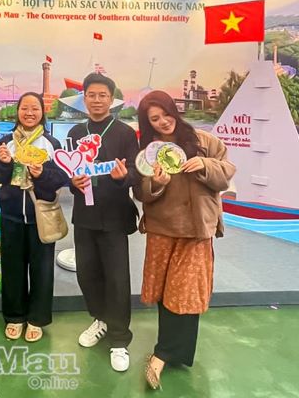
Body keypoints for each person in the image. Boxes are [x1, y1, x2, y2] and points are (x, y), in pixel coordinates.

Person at [134, 90, 235, 390]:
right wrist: (156, 183)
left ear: (174, 111)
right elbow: (140, 192)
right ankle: (170, 351)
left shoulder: (203, 141)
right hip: (163, 229)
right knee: (166, 292)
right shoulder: (149, 152)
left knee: (186, 292)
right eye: (155, 119)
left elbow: (226, 173)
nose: (163, 121)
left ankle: (163, 354)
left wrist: (204, 165)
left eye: (166, 114)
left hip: (196, 229)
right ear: (148, 123)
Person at [68, 73, 140, 372]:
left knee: (117, 279)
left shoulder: (125, 133)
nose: (97, 100)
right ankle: (100, 319)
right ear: (84, 98)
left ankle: (119, 339)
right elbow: (69, 171)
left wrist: (125, 177)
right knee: (87, 275)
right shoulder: (76, 131)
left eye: (102, 95)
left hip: (114, 216)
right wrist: (73, 182)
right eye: (91, 95)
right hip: (84, 217)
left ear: (112, 99)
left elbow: (137, 171)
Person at [0, 92, 69, 342]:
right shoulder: (6, 142)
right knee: (12, 268)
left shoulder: (51, 143)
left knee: (42, 270)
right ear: (18, 111)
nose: (30, 113)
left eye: (35, 108)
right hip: (11, 216)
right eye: (25, 108)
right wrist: (4, 163)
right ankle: (15, 317)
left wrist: (42, 173)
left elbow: (62, 178)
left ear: (42, 112)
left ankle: (37, 319)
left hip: (41, 217)